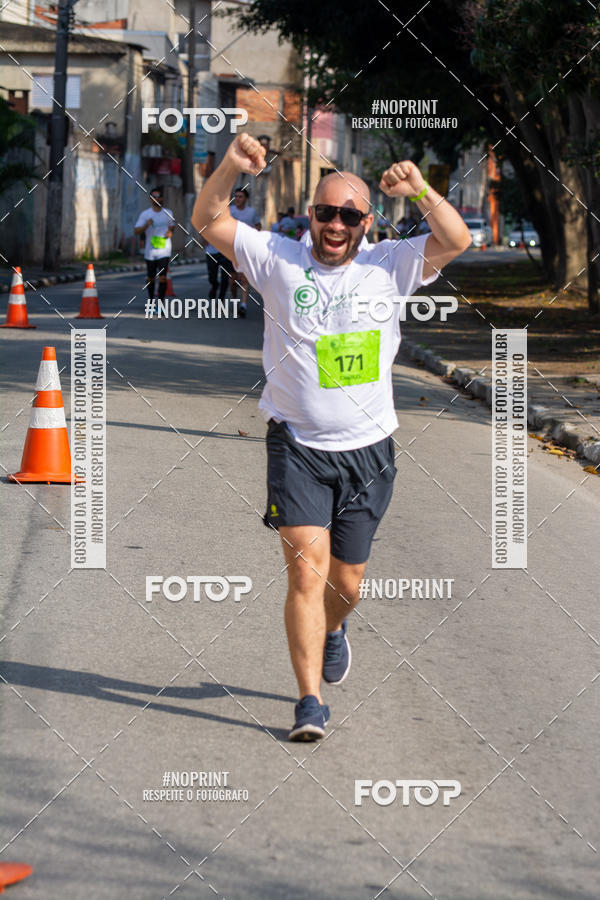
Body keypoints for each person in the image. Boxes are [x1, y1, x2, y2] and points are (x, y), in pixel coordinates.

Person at [191, 133, 471, 742]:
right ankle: (309, 701)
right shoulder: (277, 258)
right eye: (325, 212)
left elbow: (456, 239)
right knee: (304, 574)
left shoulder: (390, 265)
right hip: (297, 446)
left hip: (368, 451)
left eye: (349, 214)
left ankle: (336, 629)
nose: (336, 223)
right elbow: (207, 218)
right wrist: (232, 166)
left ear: (367, 222)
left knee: (346, 584)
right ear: (311, 216)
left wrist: (420, 189)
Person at [134, 187, 175, 302]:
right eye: (153, 197)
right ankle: (151, 301)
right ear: (150, 199)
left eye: (158, 197)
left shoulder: (168, 213)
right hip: (150, 251)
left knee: (162, 277)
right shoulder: (145, 214)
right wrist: (146, 225)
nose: (156, 199)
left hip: (164, 250)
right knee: (151, 278)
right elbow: (136, 231)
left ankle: (160, 303)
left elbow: (172, 225)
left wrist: (170, 231)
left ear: (162, 198)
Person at [228, 187, 260, 317]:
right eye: (236, 196)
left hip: (246, 249)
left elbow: (258, 225)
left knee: (244, 279)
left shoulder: (251, 212)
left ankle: (243, 305)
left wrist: (255, 237)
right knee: (232, 281)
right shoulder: (230, 211)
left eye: (240, 196)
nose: (237, 199)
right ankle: (236, 301)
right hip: (231, 249)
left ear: (246, 199)